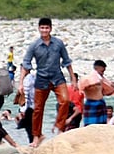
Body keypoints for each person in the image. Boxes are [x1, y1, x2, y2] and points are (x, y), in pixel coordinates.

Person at [18, 17, 75, 146]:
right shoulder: (34, 45)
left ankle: (59, 127)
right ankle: (37, 136)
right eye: (42, 28)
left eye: (47, 28)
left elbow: (67, 61)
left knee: (65, 100)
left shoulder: (58, 43)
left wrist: (73, 79)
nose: (44, 30)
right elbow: (26, 64)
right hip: (41, 78)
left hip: (57, 77)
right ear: (39, 29)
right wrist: (21, 83)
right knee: (38, 109)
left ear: (50, 29)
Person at [78, 60, 114, 126]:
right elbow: (81, 88)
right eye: (102, 71)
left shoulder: (101, 80)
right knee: (91, 125)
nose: (103, 73)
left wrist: (112, 89)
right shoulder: (88, 79)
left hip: (101, 102)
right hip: (92, 103)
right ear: (97, 68)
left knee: (102, 125)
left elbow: (105, 92)